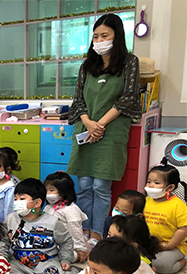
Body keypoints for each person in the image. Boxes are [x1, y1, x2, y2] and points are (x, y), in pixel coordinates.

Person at [66, 14, 142, 246]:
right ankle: (83, 230)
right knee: (84, 185)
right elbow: (78, 100)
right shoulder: (87, 66)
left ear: (116, 37)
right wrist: (89, 122)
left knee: (100, 186)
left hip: (112, 130)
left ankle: (99, 231)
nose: (99, 40)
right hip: (86, 128)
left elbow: (128, 98)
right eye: (96, 36)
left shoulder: (129, 61)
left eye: (105, 35)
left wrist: (100, 124)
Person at [0, 178, 77, 274]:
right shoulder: (11, 218)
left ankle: (77, 272)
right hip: (18, 262)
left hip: (44, 263)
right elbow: (3, 240)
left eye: (22, 199)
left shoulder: (53, 222)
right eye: (15, 199)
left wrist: (65, 259)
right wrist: (2, 258)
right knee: (1, 273)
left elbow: (66, 241)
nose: (17, 203)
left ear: (37, 202)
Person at [143, 161, 187, 274]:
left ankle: (184, 261)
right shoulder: (145, 201)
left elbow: (183, 229)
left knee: (162, 265)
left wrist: (169, 245)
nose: (150, 185)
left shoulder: (178, 205)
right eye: (149, 181)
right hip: (149, 245)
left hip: (172, 246)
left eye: (156, 183)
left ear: (170, 187)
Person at [43, 171, 89, 262]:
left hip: (67, 245)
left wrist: (80, 248)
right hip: (52, 242)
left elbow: (75, 230)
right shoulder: (48, 208)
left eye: (51, 190)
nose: (47, 193)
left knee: (62, 254)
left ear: (63, 192)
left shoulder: (71, 209)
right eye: (46, 190)